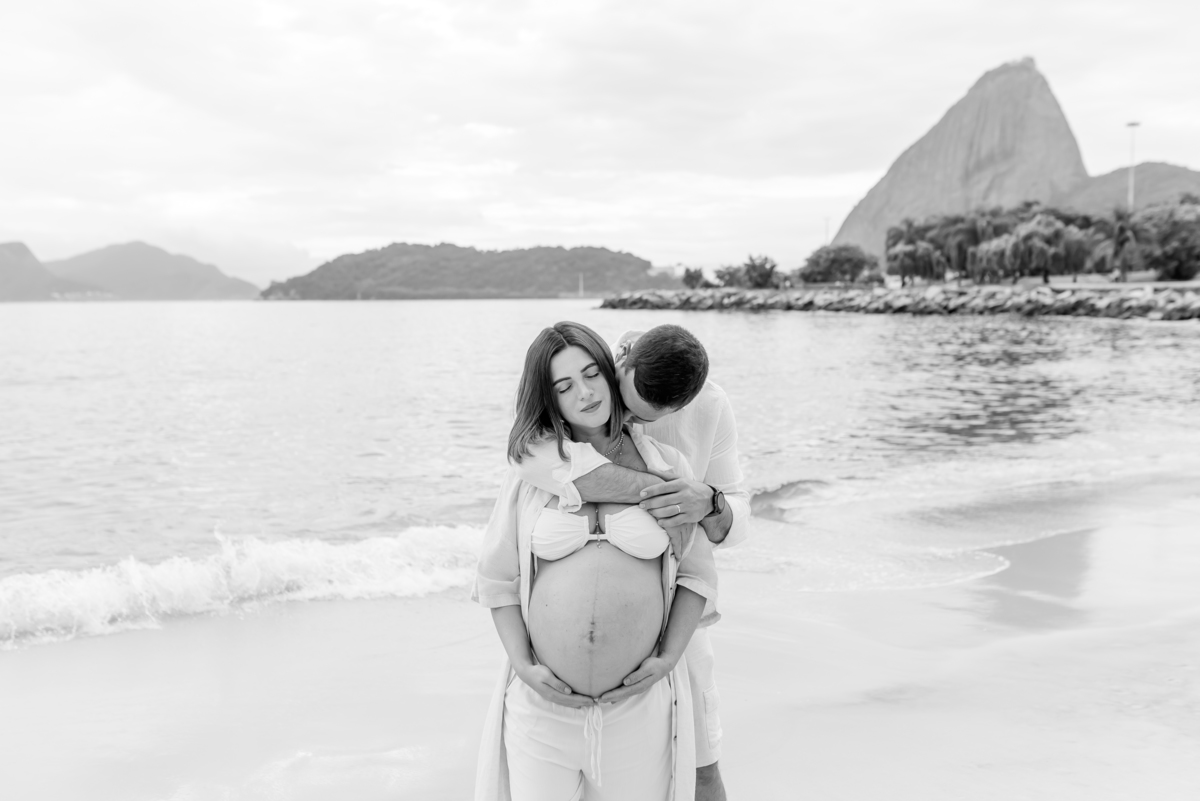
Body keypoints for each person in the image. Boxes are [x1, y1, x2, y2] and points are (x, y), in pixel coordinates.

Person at [474, 321, 719, 801]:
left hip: (638, 707)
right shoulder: (532, 474)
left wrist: (668, 658)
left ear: (611, 371)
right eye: (564, 387)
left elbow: (697, 576)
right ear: (550, 399)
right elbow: (497, 578)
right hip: (543, 710)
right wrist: (524, 666)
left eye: (591, 374)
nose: (584, 393)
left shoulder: (670, 468)